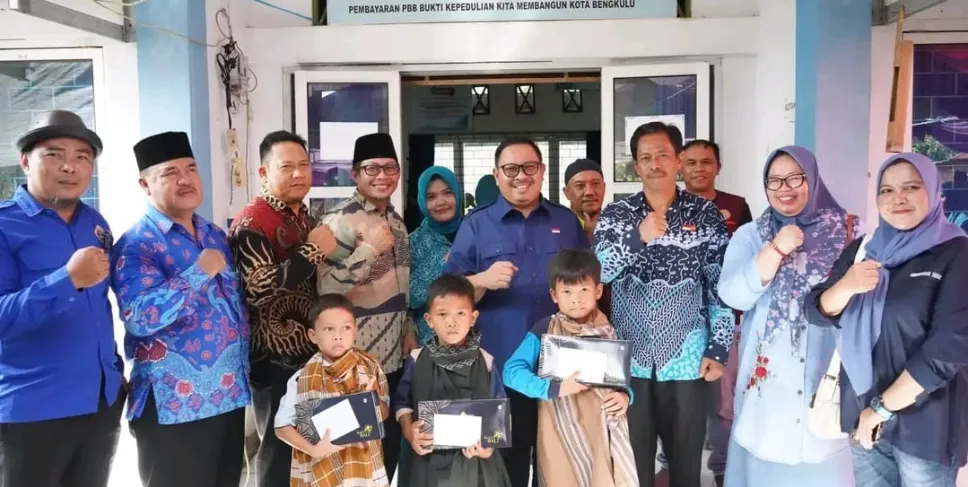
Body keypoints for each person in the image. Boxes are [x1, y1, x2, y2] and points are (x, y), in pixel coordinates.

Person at [806, 153, 968, 487]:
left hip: (925, 424)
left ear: (934, 191)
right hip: (862, 412)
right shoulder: (865, 249)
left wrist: (881, 409)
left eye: (911, 187)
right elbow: (816, 311)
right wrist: (846, 286)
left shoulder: (956, 253)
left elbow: (948, 349)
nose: (898, 198)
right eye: (887, 190)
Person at [593, 122, 733, 487]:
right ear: (636, 166)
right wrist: (636, 238)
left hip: (687, 357)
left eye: (662, 155)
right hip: (629, 358)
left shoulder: (705, 215)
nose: (654, 164)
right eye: (645, 158)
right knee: (633, 462)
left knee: (685, 463)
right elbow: (598, 274)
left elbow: (718, 285)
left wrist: (719, 348)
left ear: (679, 160)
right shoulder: (616, 215)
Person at [443, 137, 587, 487]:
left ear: (542, 170)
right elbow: (448, 297)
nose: (520, 176)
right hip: (502, 365)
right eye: (510, 169)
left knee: (560, 458)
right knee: (508, 459)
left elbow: (587, 285)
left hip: (561, 364)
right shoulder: (477, 224)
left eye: (529, 167)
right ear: (496, 174)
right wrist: (481, 280)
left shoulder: (566, 221)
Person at [112, 131, 250, 487]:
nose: (185, 179)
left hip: (228, 395)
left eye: (191, 169)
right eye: (170, 173)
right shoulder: (137, 243)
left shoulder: (214, 234)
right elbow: (140, 317)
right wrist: (198, 273)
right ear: (145, 184)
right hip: (174, 404)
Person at [716, 146, 855, 486]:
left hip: (828, 368)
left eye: (795, 178)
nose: (784, 188)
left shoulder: (847, 232)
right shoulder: (752, 235)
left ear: (813, 180)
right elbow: (733, 295)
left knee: (826, 455)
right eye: (774, 180)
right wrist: (776, 249)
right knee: (765, 454)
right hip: (770, 379)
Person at [0, 110, 125, 486]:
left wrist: (115, 371)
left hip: (100, 405)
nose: (70, 166)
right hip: (33, 410)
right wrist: (66, 280)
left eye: (82, 157)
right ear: (26, 161)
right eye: (54, 154)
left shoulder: (95, 223)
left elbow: (101, 306)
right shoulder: (5, 226)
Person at [229, 130, 339, 487]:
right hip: (273, 361)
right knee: (278, 449)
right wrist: (312, 251)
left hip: (309, 355)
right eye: (286, 166)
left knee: (310, 446)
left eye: (304, 165)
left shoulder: (303, 216)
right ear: (263, 173)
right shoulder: (252, 221)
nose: (298, 174)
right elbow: (257, 289)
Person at [315, 132, 417, 481]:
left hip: (392, 361)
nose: (382, 176)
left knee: (386, 458)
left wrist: (408, 327)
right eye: (372, 168)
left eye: (390, 168)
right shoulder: (338, 221)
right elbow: (326, 291)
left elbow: (401, 285)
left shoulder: (396, 221)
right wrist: (369, 250)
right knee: (354, 462)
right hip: (354, 364)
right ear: (355, 173)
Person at [656, 139, 754, 487]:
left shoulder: (736, 206)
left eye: (707, 162)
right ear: (680, 166)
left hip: (724, 318)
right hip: (678, 323)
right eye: (692, 162)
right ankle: (667, 464)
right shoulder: (667, 206)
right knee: (674, 400)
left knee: (722, 402)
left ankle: (723, 469)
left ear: (718, 167)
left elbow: (749, 258)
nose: (699, 169)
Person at [503, 249, 638, 487]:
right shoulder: (544, 329)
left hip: (601, 429)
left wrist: (625, 396)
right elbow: (511, 372)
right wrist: (553, 389)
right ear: (554, 295)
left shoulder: (609, 330)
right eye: (567, 291)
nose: (576, 299)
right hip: (558, 431)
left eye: (584, 290)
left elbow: (622, 379)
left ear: (598, 291)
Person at [394, 274, 512, 487]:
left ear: (473, 318)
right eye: (442, 314)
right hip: (427, 461)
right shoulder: (417, 359)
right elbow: (403, 402)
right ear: (429, 320)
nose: (452, 322)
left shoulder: (486, 361)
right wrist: (409, 431)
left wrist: (488, 447)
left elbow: (500, 410)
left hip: (475, 461)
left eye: (461, 313)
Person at [274, 294, 391, 487]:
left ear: (355, 330)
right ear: (313, 335)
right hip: (321, 463)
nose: (338, 336)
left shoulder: (371, 368)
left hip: (364, 466)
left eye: (346, 328)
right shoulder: (301, 378)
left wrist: (372, 400)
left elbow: (384, 414)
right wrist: (313, 450)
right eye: (329, 329)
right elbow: (281, 427)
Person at [409, 166, 464, 345]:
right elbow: (409, 298)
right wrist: (444, 265)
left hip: (477, 340)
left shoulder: (475, 233)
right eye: (431, 197)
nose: (441, 202)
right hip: (431, 342)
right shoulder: (413, 242)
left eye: (448, 193)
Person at [561, 158, 606, 241]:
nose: (589, 192)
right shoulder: (557, 228)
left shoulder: (618, 224)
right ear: (567, 193)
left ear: (604, 187)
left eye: (595, 184)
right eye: (580, 186)